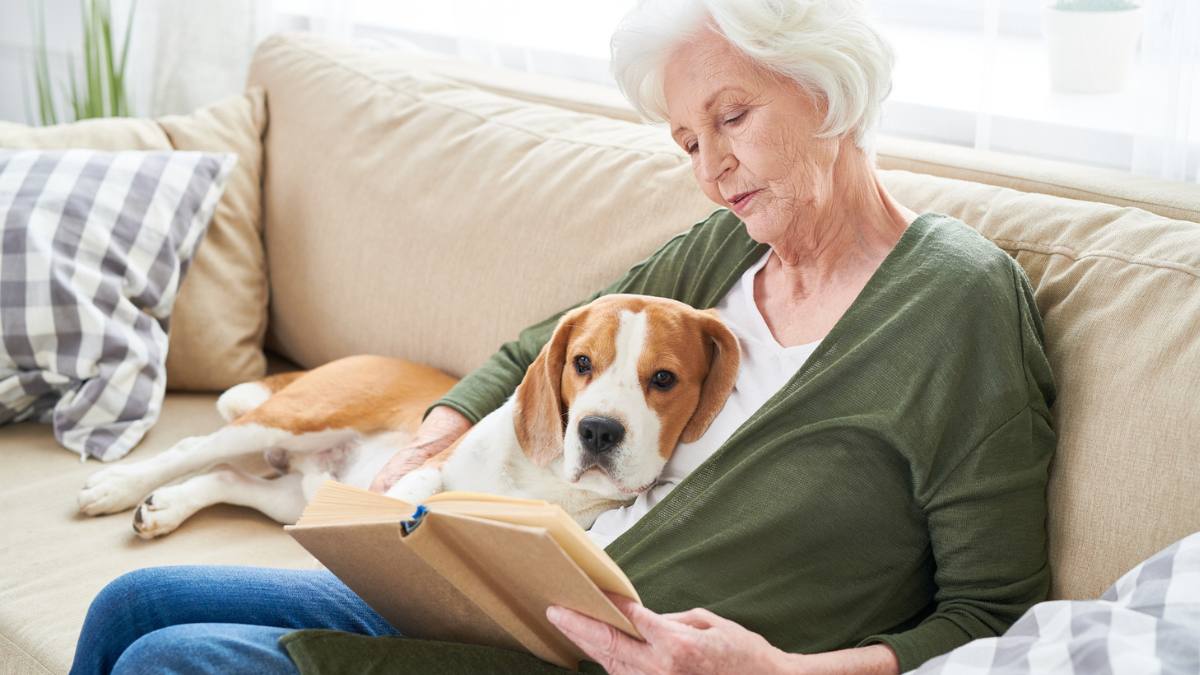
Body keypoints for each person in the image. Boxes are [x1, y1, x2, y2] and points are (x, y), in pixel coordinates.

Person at [70, 1, 1057, 673]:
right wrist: (422, 450)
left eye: (733, 117)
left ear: (830, 88)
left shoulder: (956, 302)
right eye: (687, 143)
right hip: (506, 598)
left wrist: (779, 669)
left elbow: (995, 616)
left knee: (169, 660)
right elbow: (540, 349)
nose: (713, 170)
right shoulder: (726, 248)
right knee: (132, 604)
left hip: (600, 659)